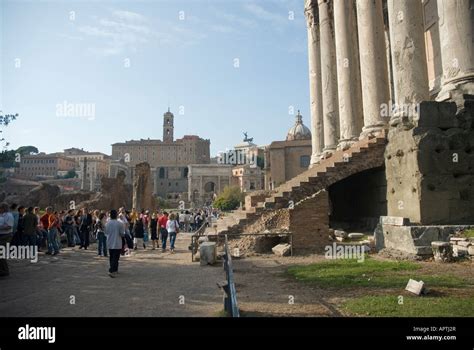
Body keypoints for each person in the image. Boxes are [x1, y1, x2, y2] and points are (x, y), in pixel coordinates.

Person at [105, 209, 125, 278]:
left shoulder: (107, 223)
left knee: (111, 256)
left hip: (110, 241)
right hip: (117, 242)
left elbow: (106, 232)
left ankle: (115, 269)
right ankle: (111, 270)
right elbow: (122, 234)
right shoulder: (120, 223)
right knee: (116, 258)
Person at [0, 203, 14, 277]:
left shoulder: (8, 215)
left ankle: (5, 270)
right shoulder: (2, 215)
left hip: (6, 235)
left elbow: (8, 226)